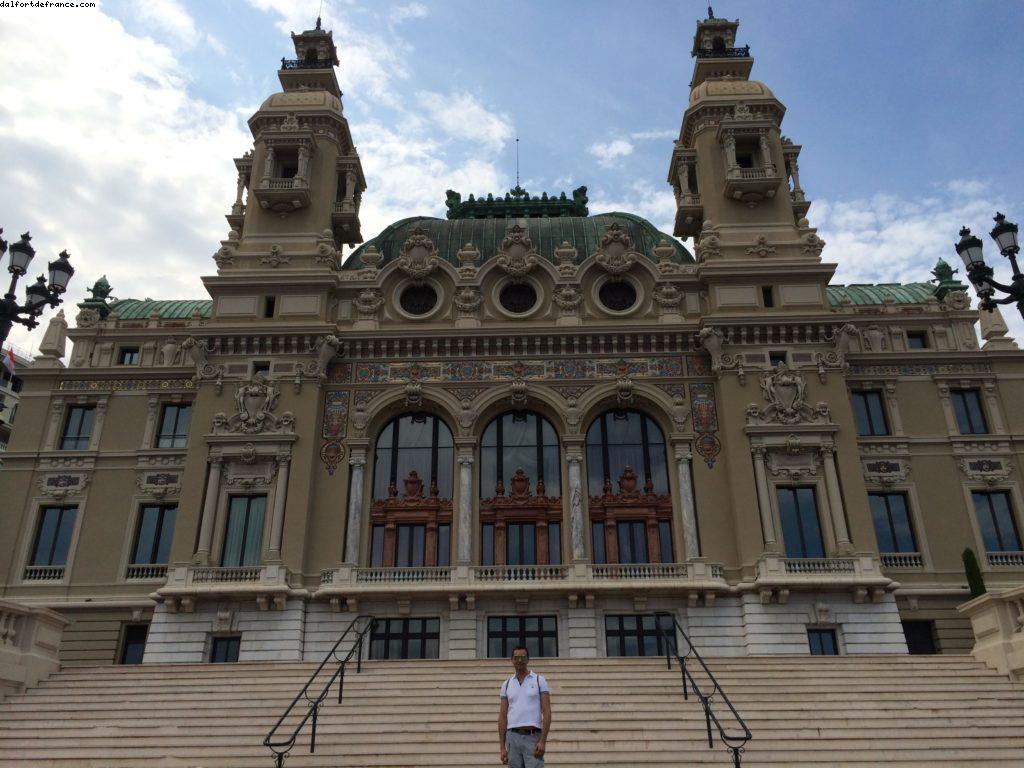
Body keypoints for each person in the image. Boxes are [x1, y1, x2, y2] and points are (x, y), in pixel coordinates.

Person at [498, 645, 552, 767]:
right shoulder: (506, 684)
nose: (520, 661)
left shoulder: (539, 680)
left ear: (528, 659)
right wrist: (502, 746)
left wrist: (543, 740)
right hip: (512, 738)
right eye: (516, 658)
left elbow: (547, 711)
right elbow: (502, 716)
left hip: (533, 737)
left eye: (523, 657)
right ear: (512, 660)